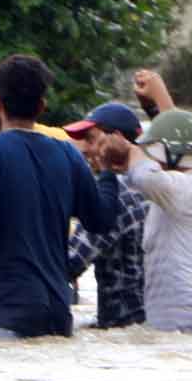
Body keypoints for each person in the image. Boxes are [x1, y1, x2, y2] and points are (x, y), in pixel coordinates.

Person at [0, 55, 119, 338]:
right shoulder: (69, 154)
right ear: (41, 106)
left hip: (6, 312)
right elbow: (100, 221)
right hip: (59, 315)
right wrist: (108, 171)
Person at [99, 107, 192, 332]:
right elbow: (145, 178)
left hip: (186, 319)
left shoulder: (190, 189)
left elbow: (146, 178)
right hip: (185, 317)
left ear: (173, 155)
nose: (152, 159)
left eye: (154, 153)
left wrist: (132, 150)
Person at [65, 103, 150, 329]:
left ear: (117, 139)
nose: (85, 149)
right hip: (153, 319)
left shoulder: (114, 194)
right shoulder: (157, 182)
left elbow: (71, 262)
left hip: (122, 325)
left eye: (90, 139)